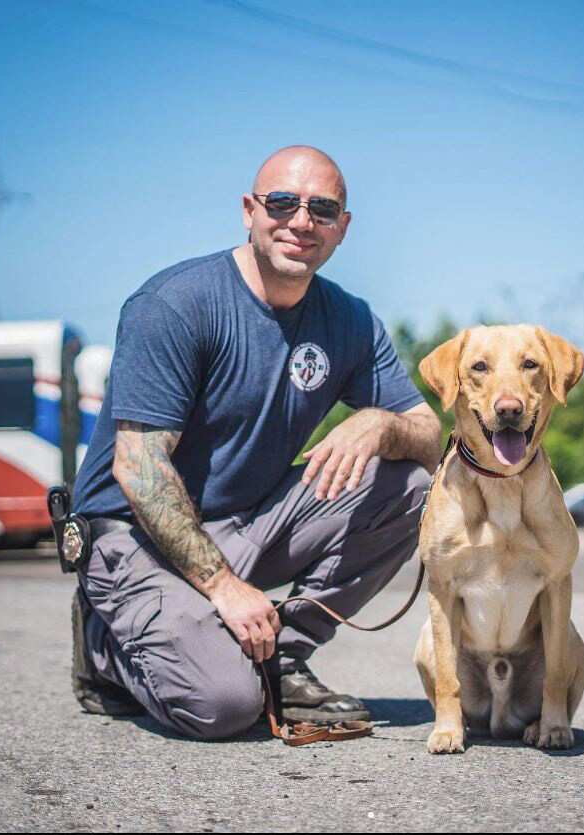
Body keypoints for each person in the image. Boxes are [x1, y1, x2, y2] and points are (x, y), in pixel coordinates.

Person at [71, 145, 441, 740]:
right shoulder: (175, 304)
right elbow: (138, 470)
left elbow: (429, 435)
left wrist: (380, 424)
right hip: (135, 536)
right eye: (283, 203)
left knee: (411, 485)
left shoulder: (350, 320)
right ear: (249, 210)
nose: (301, 221)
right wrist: (223, 588)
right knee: (223, 705)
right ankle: (104, 652)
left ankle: (282, 661)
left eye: (322, 208)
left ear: (342, 228)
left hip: (246, 523)